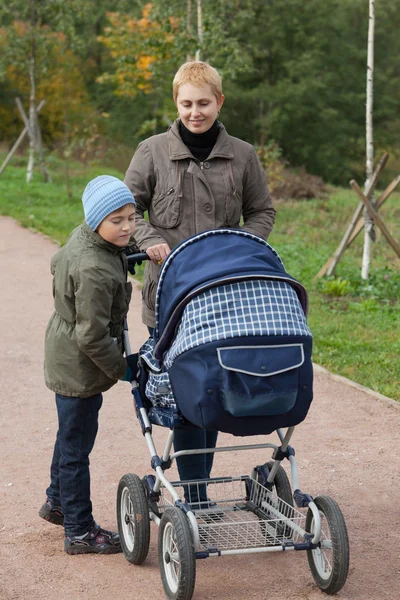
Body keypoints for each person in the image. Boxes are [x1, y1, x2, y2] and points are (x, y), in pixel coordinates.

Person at [124, 61, 276, 506]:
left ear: (219, 102)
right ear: (176, 102)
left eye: (204, 103)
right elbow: (128, 208)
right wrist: (149, 239)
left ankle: (195, 491)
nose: (196, 112)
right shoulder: (151, 152)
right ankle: (195, 496)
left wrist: (240, 247)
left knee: (215, 390)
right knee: (186, 393)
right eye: (187, 103)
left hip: (223, 298)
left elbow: (262, 212)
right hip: (169, 298)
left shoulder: (243, 155)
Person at [39, 175, 137, 554]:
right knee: (77, 447)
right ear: (97, 220)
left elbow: (58, 261)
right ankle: (79, 530)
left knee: (70, 435)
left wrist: (130, 254)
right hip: (79, 363)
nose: (127, 227)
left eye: (131, 217)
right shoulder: (94, 269)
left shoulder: (85, 238)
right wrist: (124, 368)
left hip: (66, 352)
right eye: (118, 220)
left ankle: (58, 502)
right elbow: (92, 336)